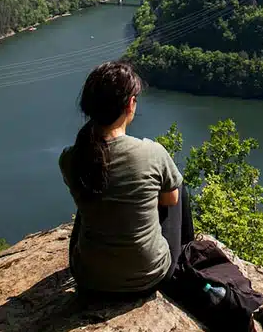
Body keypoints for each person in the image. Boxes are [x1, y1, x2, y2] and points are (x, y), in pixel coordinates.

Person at [59, 61, 193, 295]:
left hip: (89, 280)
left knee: (91, 194)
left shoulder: (70, 158)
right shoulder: (151, 152)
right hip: (148, 278)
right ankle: (186, 255)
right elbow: (169, 201)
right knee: (177, 189)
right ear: (130, 104)